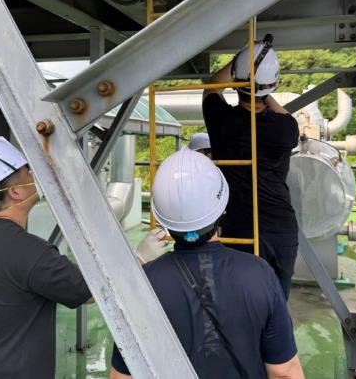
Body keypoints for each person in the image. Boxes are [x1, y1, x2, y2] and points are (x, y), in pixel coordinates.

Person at [0, 136, 165, 379]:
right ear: (15, 191)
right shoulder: (30, 252)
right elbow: (91, 291)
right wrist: (139, 259)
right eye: (27, 170)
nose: (33, 174)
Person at [110, 148, 304, 379]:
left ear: (161, 218)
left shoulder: (143, 284)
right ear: (222, 209)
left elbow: (122, 376)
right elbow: (284, 372)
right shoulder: (260, 274)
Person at [202, 38, 300, 299]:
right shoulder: (286, 129)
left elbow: (212, 87)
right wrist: (260, 85)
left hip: (240, 227)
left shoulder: (221, 120)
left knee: (239, 303)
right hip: (281, 230)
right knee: (276, 304)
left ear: (236, 79)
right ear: (273, 84)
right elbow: (283, 113)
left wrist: (244, 57)